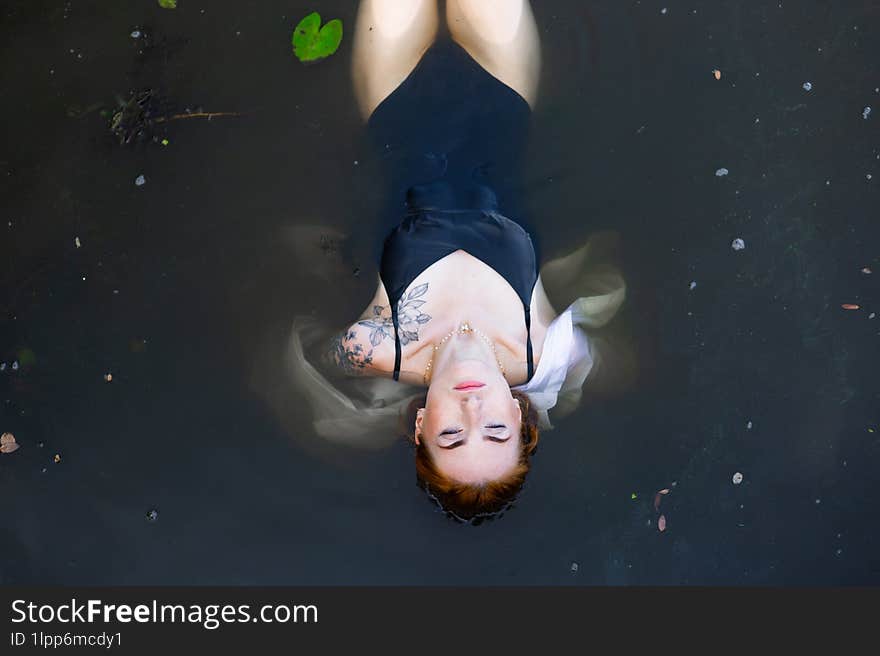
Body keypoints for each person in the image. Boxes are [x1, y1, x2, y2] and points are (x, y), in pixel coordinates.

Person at [270, 0, 628, 523]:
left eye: (451, 435)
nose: (473, 409)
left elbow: (294, 353)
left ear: (419, 428)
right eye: (497, 430)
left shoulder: (375, 346)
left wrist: (355, 417)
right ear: (518, 414)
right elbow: (624, 365)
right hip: (503, 98)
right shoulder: (546, 344)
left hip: (395, 104)